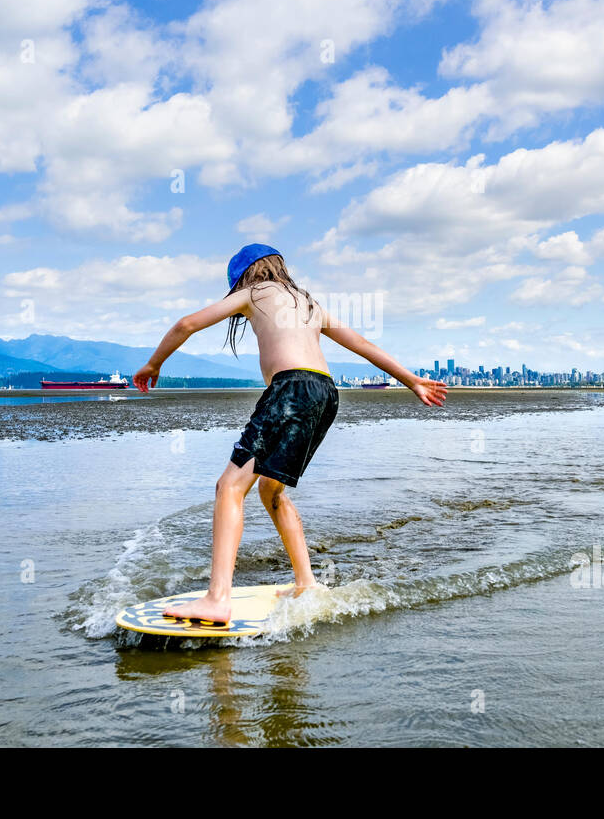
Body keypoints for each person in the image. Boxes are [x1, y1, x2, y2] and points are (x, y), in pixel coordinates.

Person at [132, 244, 448, 622]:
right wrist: (411, 381)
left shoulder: (254, 293)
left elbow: (186, 324)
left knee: (229, 487)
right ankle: (306, 582)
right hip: (326, 393)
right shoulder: (308, 304)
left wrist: (154, 363)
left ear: (242, 278)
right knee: (271, 489)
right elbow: (363, 345)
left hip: (292, 390)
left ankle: (218, 599)